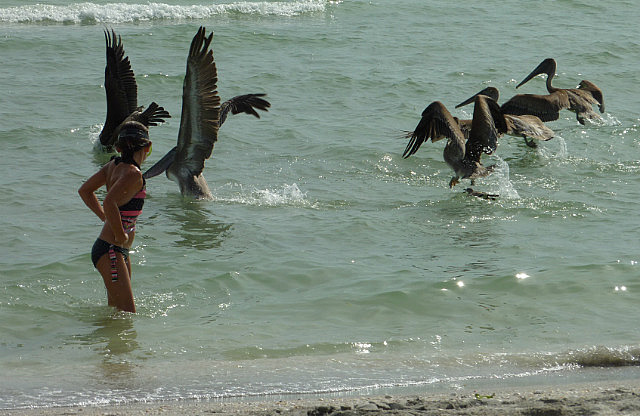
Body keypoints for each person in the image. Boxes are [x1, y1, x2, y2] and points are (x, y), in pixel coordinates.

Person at [78, 121, 152, 313]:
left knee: (117, 313)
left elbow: (85, 191)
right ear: (147, 147)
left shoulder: (113, 165)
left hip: (114, 250)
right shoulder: (133, 174)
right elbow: (109, 202)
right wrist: (119, 233)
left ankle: (103, 342)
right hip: (112, 249)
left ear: (119, 147)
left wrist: (106, 219)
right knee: (127, 313)